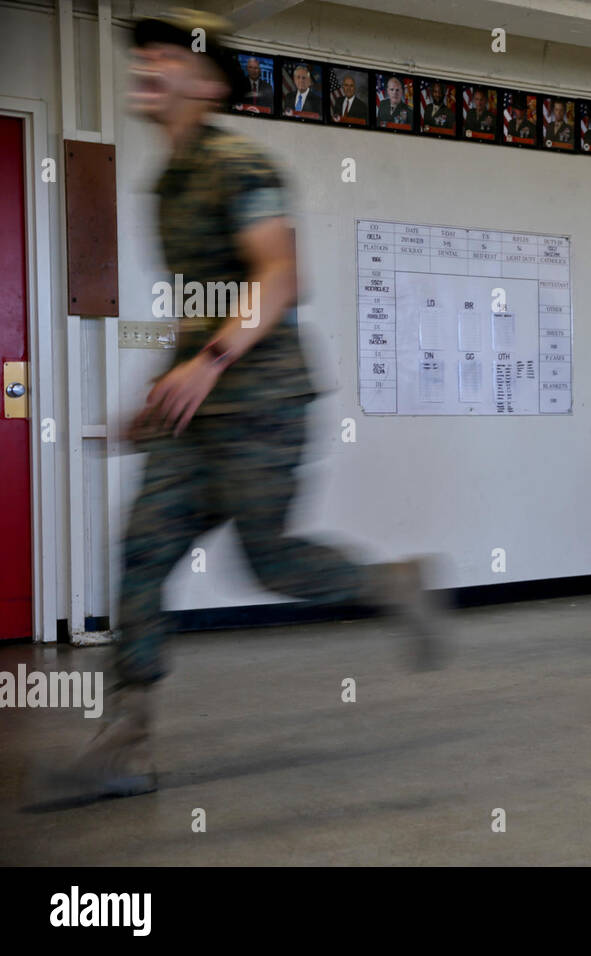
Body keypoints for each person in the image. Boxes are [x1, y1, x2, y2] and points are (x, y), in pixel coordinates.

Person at [36, 9, 438, 808]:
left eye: (165, 56)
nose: (146, 66)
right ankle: (124, 740)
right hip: (194, 416)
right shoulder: (166, 183)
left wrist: (212, 362)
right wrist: (161, 390)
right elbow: (200, 309)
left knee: (269, 562)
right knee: (142, 553)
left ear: (208, 83)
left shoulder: (238, 163)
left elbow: (280, 275)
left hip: (263, 404)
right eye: (143, 55)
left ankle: (393, 585)